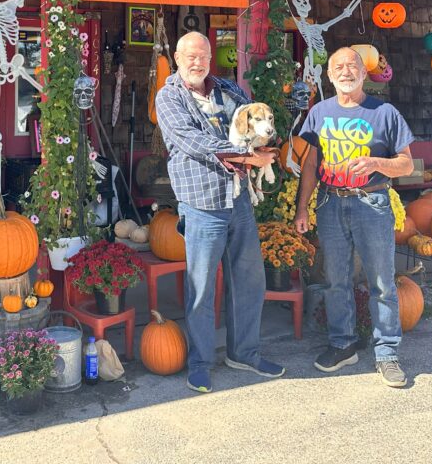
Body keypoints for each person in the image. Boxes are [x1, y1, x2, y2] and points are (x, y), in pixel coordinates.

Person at [155, 31, 283, 394]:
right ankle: (200, 362)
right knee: (201, 287)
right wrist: (244, 155)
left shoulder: (228, 90)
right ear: (178, 58)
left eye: (204, 57)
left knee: (249, 280)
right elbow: (192, 140)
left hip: (238, 199)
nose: (198, 63)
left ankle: (244, 352)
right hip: (202, 204)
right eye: (191, 57)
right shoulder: (170, 97)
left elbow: (252, 118)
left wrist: (264, 142)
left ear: (211, 58)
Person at [294, 46, 415, 388]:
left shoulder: (385, 113)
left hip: (372, 203)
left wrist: (378, 163)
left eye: (352, 66)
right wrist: (303, 208)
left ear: (364, 73)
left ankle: (387, 353)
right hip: (331, 203)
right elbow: (310, 165)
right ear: (329, 76)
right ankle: (343, 344)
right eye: (338, 67)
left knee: (381, 282)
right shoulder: (319, 112)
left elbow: (406, 163)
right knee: (336, 280)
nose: (345, 72)